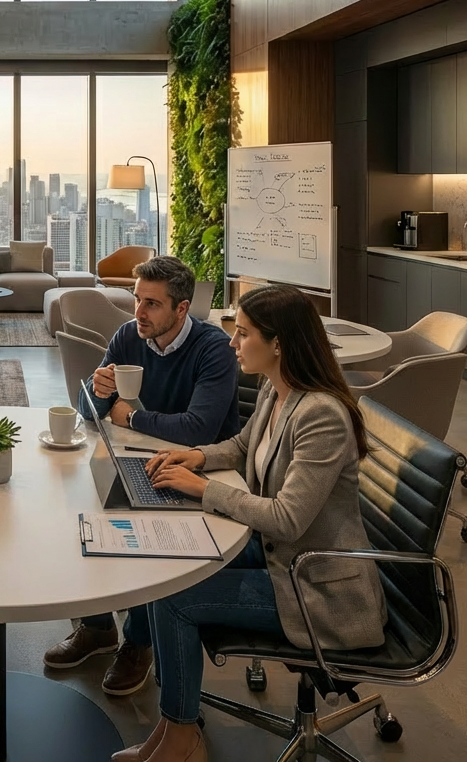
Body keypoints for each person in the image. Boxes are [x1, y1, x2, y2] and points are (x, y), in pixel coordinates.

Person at [112, 285, 387, 762]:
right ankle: (173, 720)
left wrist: (204, 489)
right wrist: (195, 456)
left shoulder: (320, 415)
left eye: (242, 334)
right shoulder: (278, 390)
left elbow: (287, 517)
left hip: (318, 586)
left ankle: (182, 737)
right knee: (163, 570)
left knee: (176, 598)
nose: (233, 344)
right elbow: (241, 447)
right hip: (287, 560)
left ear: (278, 344)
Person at [44, 256, 239, 696]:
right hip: (137, 458)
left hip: (200, 471)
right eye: (137, 299)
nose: (139, 312)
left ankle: (138, 642)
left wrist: (131, 417)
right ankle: (97, 628)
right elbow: (91, 414)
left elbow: (198, 431)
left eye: (152, 304)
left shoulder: (213, 349)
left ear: (181, 308)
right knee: (77, 512)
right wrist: (94, 393)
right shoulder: (129, 336)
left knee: (154, 542)